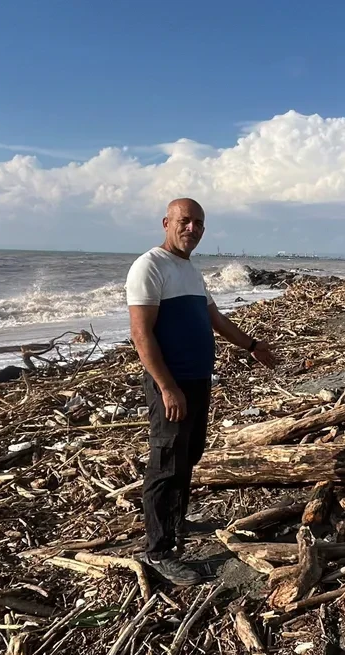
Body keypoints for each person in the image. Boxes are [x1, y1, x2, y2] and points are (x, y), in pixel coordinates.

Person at [127, 198, 279, 585]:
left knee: (189, 453)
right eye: (184, 221)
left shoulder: (189, 270)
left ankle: (177, 522)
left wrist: (252, 345)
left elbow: (213, 318)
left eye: (198, 223)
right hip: (171, 383)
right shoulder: (149, 266)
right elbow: (141, 335)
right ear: (166, 222)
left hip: (197, 380)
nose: (191, 228)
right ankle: (158, 550)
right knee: (165, 461)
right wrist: (166, 387)